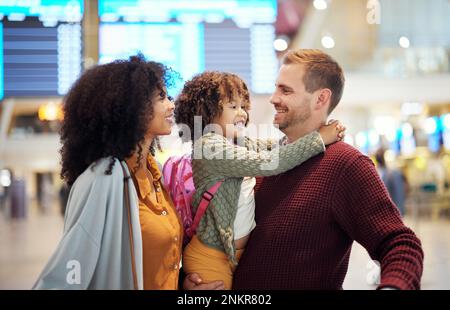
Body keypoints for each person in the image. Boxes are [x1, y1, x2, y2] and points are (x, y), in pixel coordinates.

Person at [185, 49, 423, 290]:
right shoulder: (264, 158)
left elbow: (399, 243)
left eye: (285, 90)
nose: (273, 98)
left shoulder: (345, 164)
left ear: (320, 99)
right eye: (276, 87)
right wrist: (195, 280)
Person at [173, 71, 345, 289]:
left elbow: (279, 147)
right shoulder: (209, 146)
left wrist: (313, 131)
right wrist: (319, 138)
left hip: (234, 257)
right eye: (233, 107)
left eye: (244, 107)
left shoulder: (238, 142)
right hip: (211, 258)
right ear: (209, 110)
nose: (242, 114)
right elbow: (270, 161)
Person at [33, 55, 192, 289]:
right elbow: (71, 267)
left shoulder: (155, 173)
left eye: (168, 96)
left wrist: (181, 283)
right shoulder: (104, 178)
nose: (171, 104)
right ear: (132, 108)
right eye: (161, 98)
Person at [375, 148, 408, 216]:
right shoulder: (376, 171)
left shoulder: (394, 174)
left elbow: (398, 194)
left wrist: (399, 211)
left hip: (392, 211)